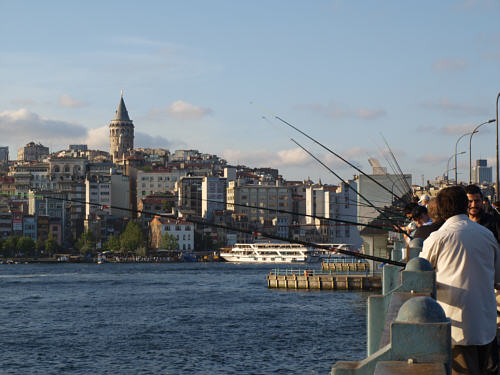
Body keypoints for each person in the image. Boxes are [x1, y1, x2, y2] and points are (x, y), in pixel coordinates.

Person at [419, 186, 500, 375]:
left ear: (440, 209)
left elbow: (420, 274)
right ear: (465, 205)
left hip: (455, 326)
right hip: (486, 323)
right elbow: (497, 277)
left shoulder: (437, 238)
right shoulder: (487, 235)